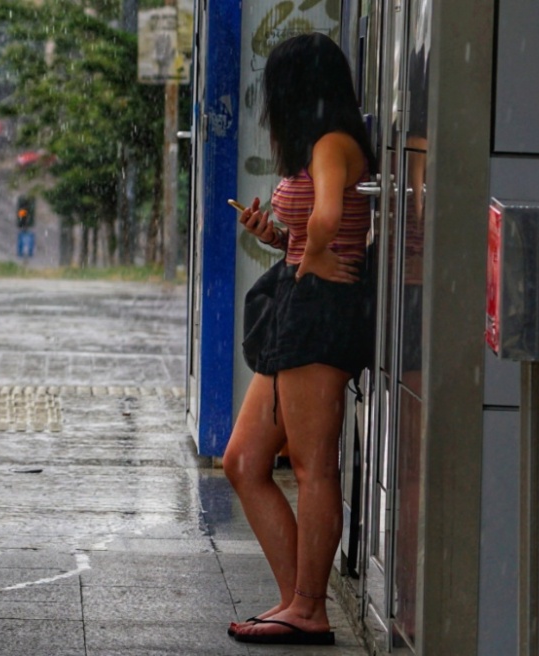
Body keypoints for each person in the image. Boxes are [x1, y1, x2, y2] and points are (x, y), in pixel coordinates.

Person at [224, 32, 376, 646]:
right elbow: (309, 226)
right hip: (301, 308)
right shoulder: (322, 143)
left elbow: (328, 218)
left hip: (321, 313)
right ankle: (297, 602)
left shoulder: (334, 144)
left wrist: (310, 257)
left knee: (315, 466)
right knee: (244, 460)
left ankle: (308, 607)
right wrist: (277, 237)